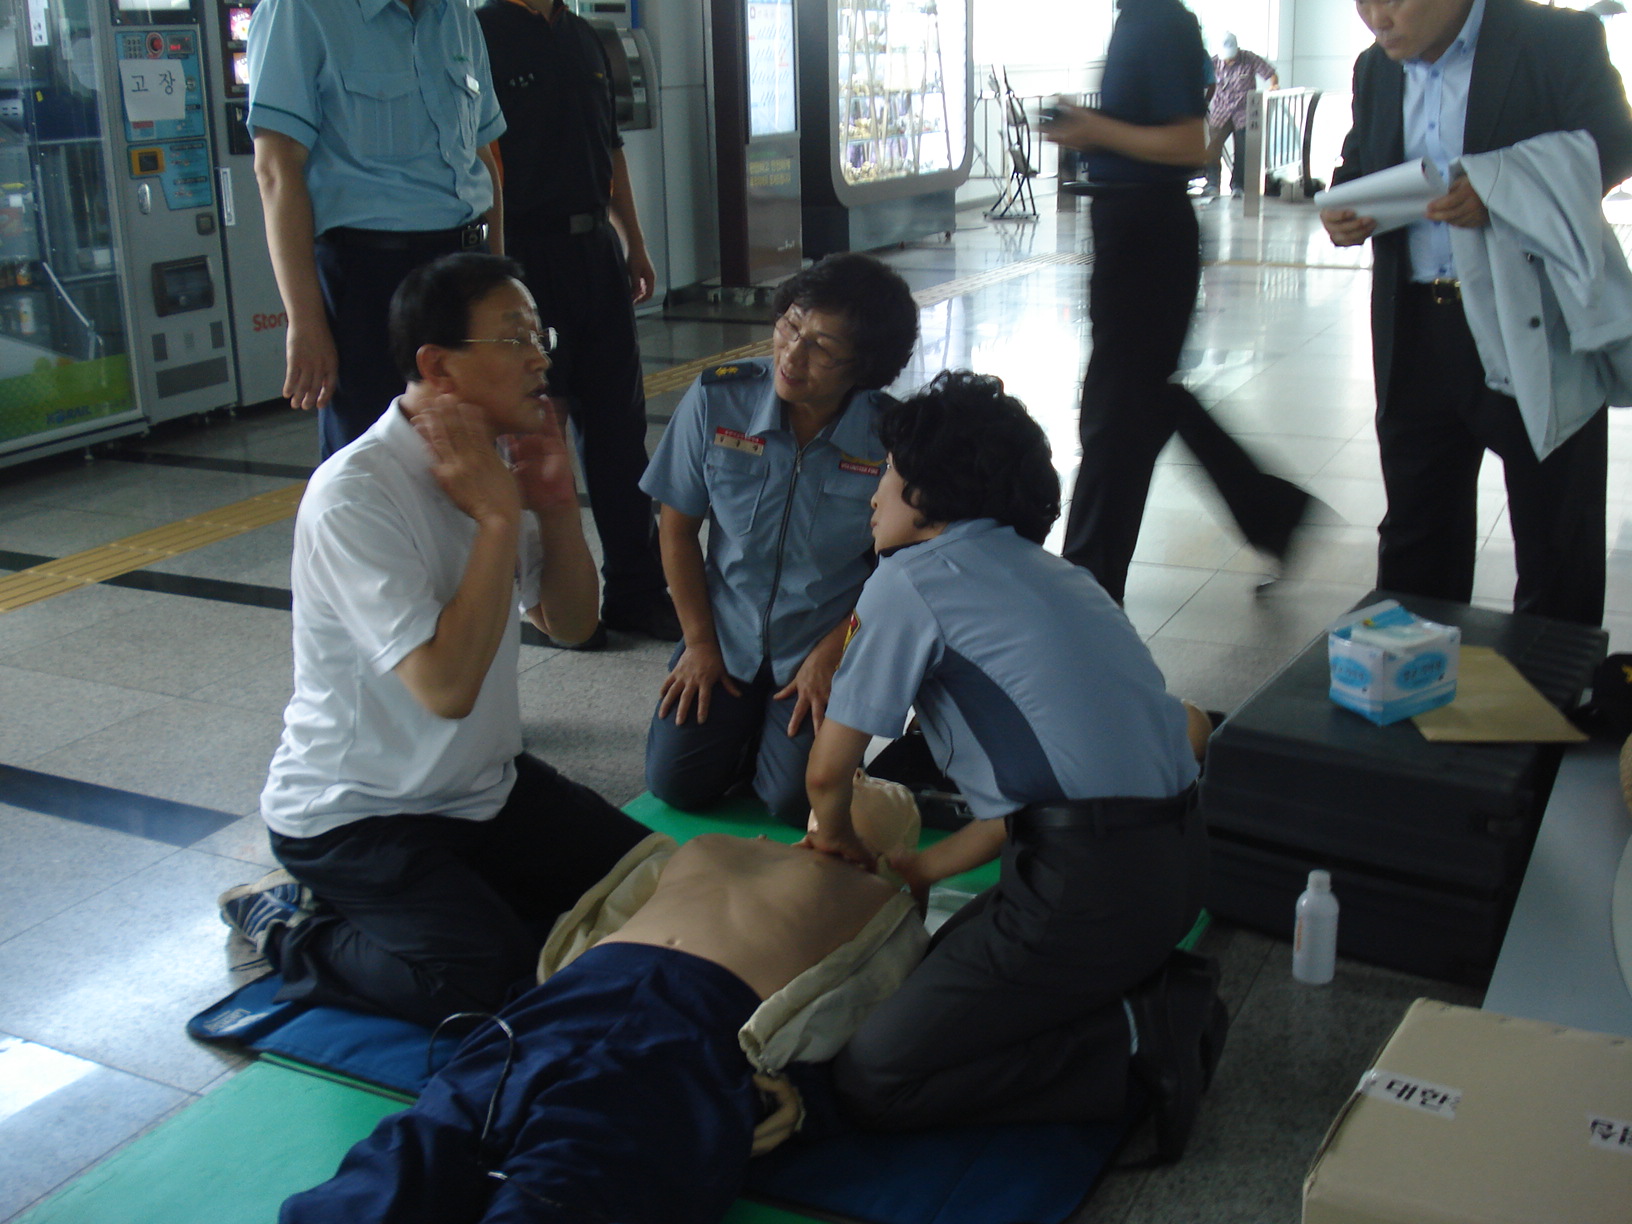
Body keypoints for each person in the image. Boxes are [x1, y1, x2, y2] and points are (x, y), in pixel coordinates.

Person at [803, 371, 1225, 1163]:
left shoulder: (910, 582)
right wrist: (924, 867)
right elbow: (1046, 798)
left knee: (873, 1077)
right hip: (1172, 871)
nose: (874, 494)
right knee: (928, 982)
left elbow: (828, 774)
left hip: (1088, 893)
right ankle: (1130, 996)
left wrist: (837, 839)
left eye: (889, 473)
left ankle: (1138, 1042)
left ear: (930, 494)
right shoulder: (1060, 577)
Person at [221, 253, 651, 1028]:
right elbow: (446, 688)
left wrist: (555, 505)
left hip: (481, 786)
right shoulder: (356, 493)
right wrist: (497, 517)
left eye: (540, 335)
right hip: (357, 815)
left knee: (654, 884)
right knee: (479, 980)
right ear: (437, 365)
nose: (540, 358)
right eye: (516, 338)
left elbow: (574, 624)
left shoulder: (494, 457)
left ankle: (458, 897)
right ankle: (287, 923)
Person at [278, 788, 924, 1224]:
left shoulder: (722, 849)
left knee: (463, 1136)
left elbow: (599, 917)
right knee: (542, 1161)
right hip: (658, 1021)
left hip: (606, 1006)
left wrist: (799, 1098)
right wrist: (803, 1101)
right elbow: (866, 1019)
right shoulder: (885, 909)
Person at [1320, 0, 1632, 627]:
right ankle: (1415, 674)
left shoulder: (1554, 39)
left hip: (1534, 325)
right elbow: (1361, 161)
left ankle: (1550, 683)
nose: (1376, 17)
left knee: (1556, 536)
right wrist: (1344, 208)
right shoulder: (1376, 68)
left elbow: (1615, 148)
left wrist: (1503, 192)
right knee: (1417, 533)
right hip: (1418, 327)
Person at [1042, 0, 1312, 605]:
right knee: (1142, 400)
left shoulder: (1161, 21)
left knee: (1116, 413)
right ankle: (1268, 510)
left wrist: (1091, 130)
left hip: (1147, 236)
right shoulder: (1137, 19)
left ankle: (1085, 587)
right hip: (1130, 227)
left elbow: (1194, 143)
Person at [640, 253, 920, 825]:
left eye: (823, 348)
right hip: (726, 634)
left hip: (823, 639)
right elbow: (677, 529)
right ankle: (747, 734)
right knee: (676, 784)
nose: (792, 355)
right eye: (790, 326)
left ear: (864, 366)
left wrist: (834, 653)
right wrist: (699, 642)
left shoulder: (890, 437)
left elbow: (899, 575)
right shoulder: (718, 398)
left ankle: (768, 741)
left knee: (795, 801)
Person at [475, 0, 678, 644]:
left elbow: (612, 148)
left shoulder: (585, 34)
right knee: (536, 432)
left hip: (595, 251)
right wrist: (498, 274)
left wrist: (634, 242)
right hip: (524, 254)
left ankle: (636, 590)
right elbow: (481, 159)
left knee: (619, 426)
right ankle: (553, 601)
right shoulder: (480, 33)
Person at [246, 0, 506, 459]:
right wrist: (305, 321)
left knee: (474, 456)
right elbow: (276, 168)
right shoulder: (302, 12)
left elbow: (482, 159)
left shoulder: (456, 16)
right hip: (372, 281)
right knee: (376, 463)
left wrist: (502, 283)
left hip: (468, 267)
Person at [1205, 34, 1278, 196]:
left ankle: (1238, 185)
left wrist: (1274, 85)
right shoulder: (1214, 62)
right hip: (1220, 111)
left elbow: (1270, 72)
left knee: (1242, 150)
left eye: (1231, 57)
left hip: (1244, 112)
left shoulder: (1249, 58)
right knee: (1213, 147)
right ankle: (1212, 183)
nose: (1228, 60)